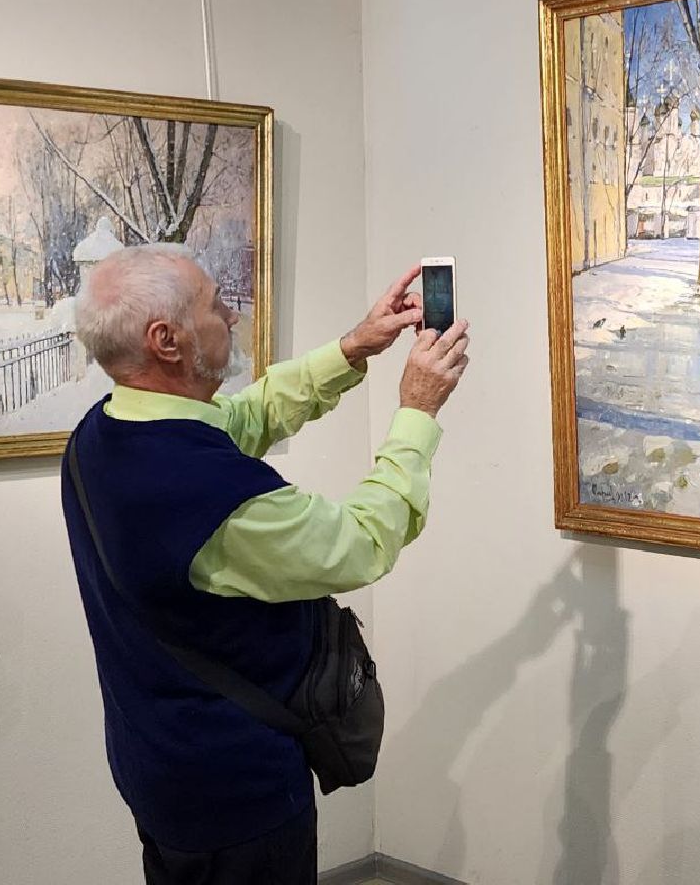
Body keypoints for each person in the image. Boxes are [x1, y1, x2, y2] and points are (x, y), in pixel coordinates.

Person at [60, 243, 468, 885]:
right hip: (233, 793)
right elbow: (363, 541)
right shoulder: (207, 496)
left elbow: (245, 416)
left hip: (157, 762)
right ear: (166, 340)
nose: (232, 314)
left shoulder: (103, 432)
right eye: (214, 305)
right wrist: (417, 412)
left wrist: (353, 348)